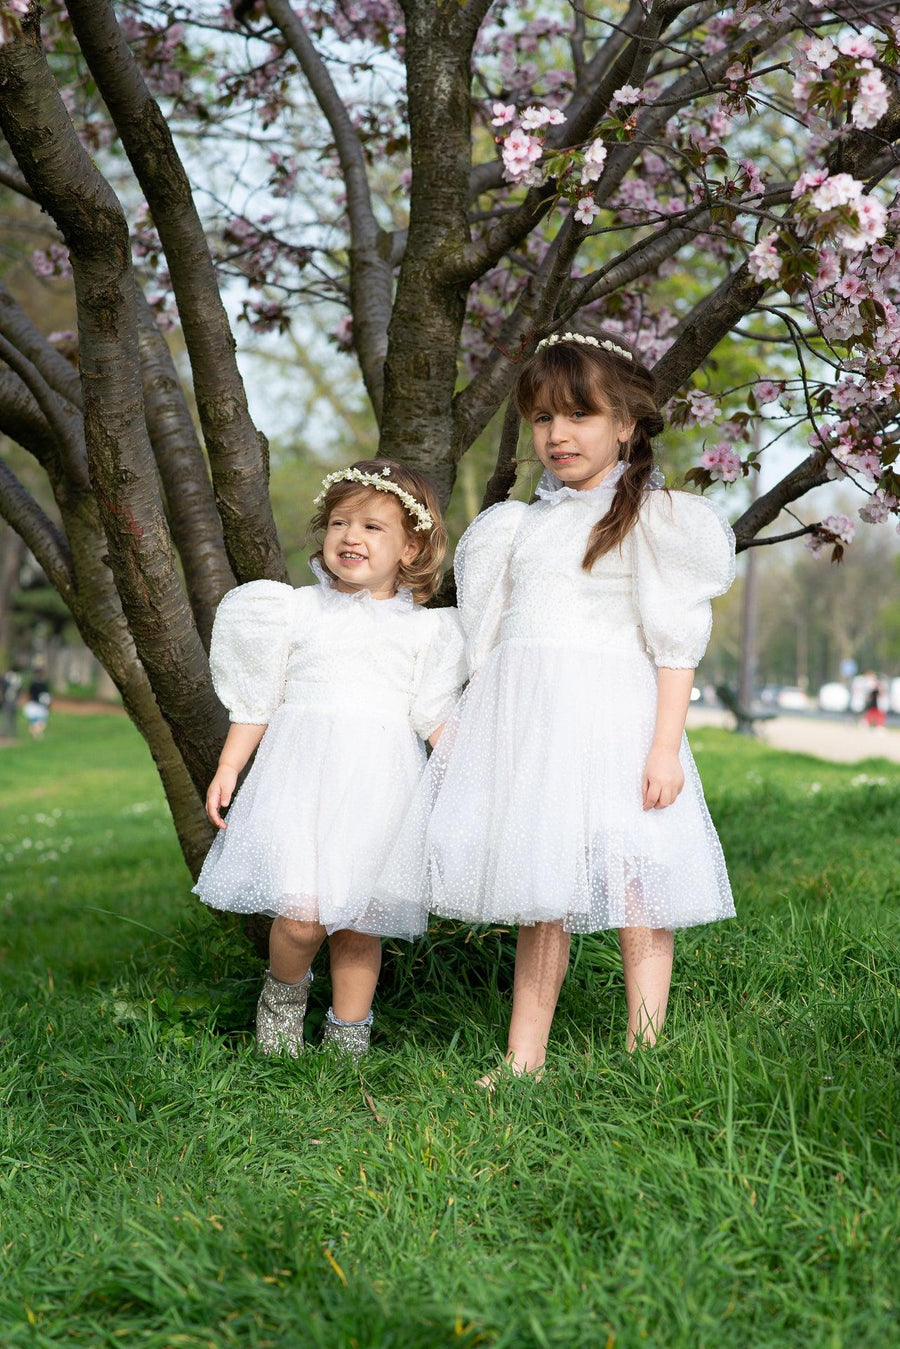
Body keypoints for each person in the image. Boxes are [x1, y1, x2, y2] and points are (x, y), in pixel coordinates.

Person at [377, 332, 736, 1080]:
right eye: (542, 419)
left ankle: (647, 1049)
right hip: (536, 733)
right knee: (542, 891)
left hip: (617, 724)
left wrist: (665, 746)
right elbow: (495, 646)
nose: (558, 434)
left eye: (579, 414)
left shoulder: (652, 517)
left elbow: (674, 644)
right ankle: (522, 1058)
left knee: (639, 881)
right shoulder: (519, 527)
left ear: (626, 425)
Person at [194, 460, 466, 1059]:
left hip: (379, 790)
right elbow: (258, 701)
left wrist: (467, 781)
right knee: (300, 918)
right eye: (340, 521)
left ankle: (349, 1039)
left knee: (359, 920)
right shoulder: (293, 611)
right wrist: (228, 768)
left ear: (410, 545)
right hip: (298, 782)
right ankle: (282, 1004)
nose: (351, 537)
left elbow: (435, 718)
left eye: (373, 527)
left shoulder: (427, 633)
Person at [23, 664, 51, 740]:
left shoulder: (44, 684)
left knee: (42, 722)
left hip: (42, 705)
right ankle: (35, 733)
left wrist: (47, 703)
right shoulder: (34, 684)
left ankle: (36, 732)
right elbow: (30, 694)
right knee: (34, 721)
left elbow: (46, 695)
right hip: (34, 704)